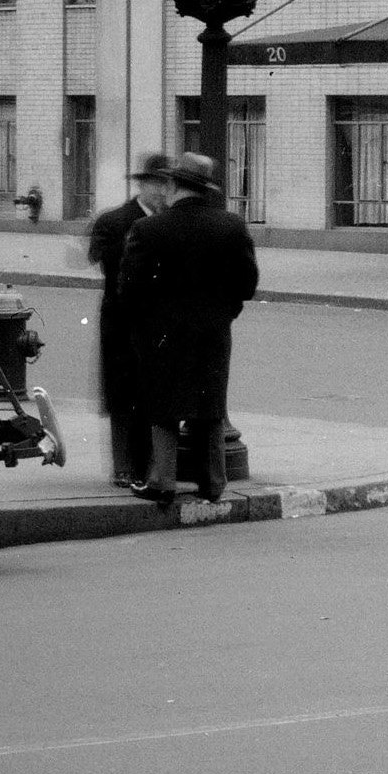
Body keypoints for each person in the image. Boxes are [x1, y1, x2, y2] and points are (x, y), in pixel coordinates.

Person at [139, 150, 259, 508]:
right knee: (210, 404)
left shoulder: (150, 229)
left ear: (173, 186)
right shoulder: (231, 226)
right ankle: (213, 482)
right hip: (213, 331)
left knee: (163, 405)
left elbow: (131, 287)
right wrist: (224, 313)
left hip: (163, 331)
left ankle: (162, 480)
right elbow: (247, 284)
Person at [87, 154, 174, 490]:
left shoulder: (171, 222)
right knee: (122, 393)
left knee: (152, 393)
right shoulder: (114, 221)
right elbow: (104, 261)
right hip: (122, 321)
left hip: (157, 324)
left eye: (168, 184)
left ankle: (146, 465)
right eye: (157, 184)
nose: (163, 191)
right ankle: (123, 466)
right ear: (143, 185)